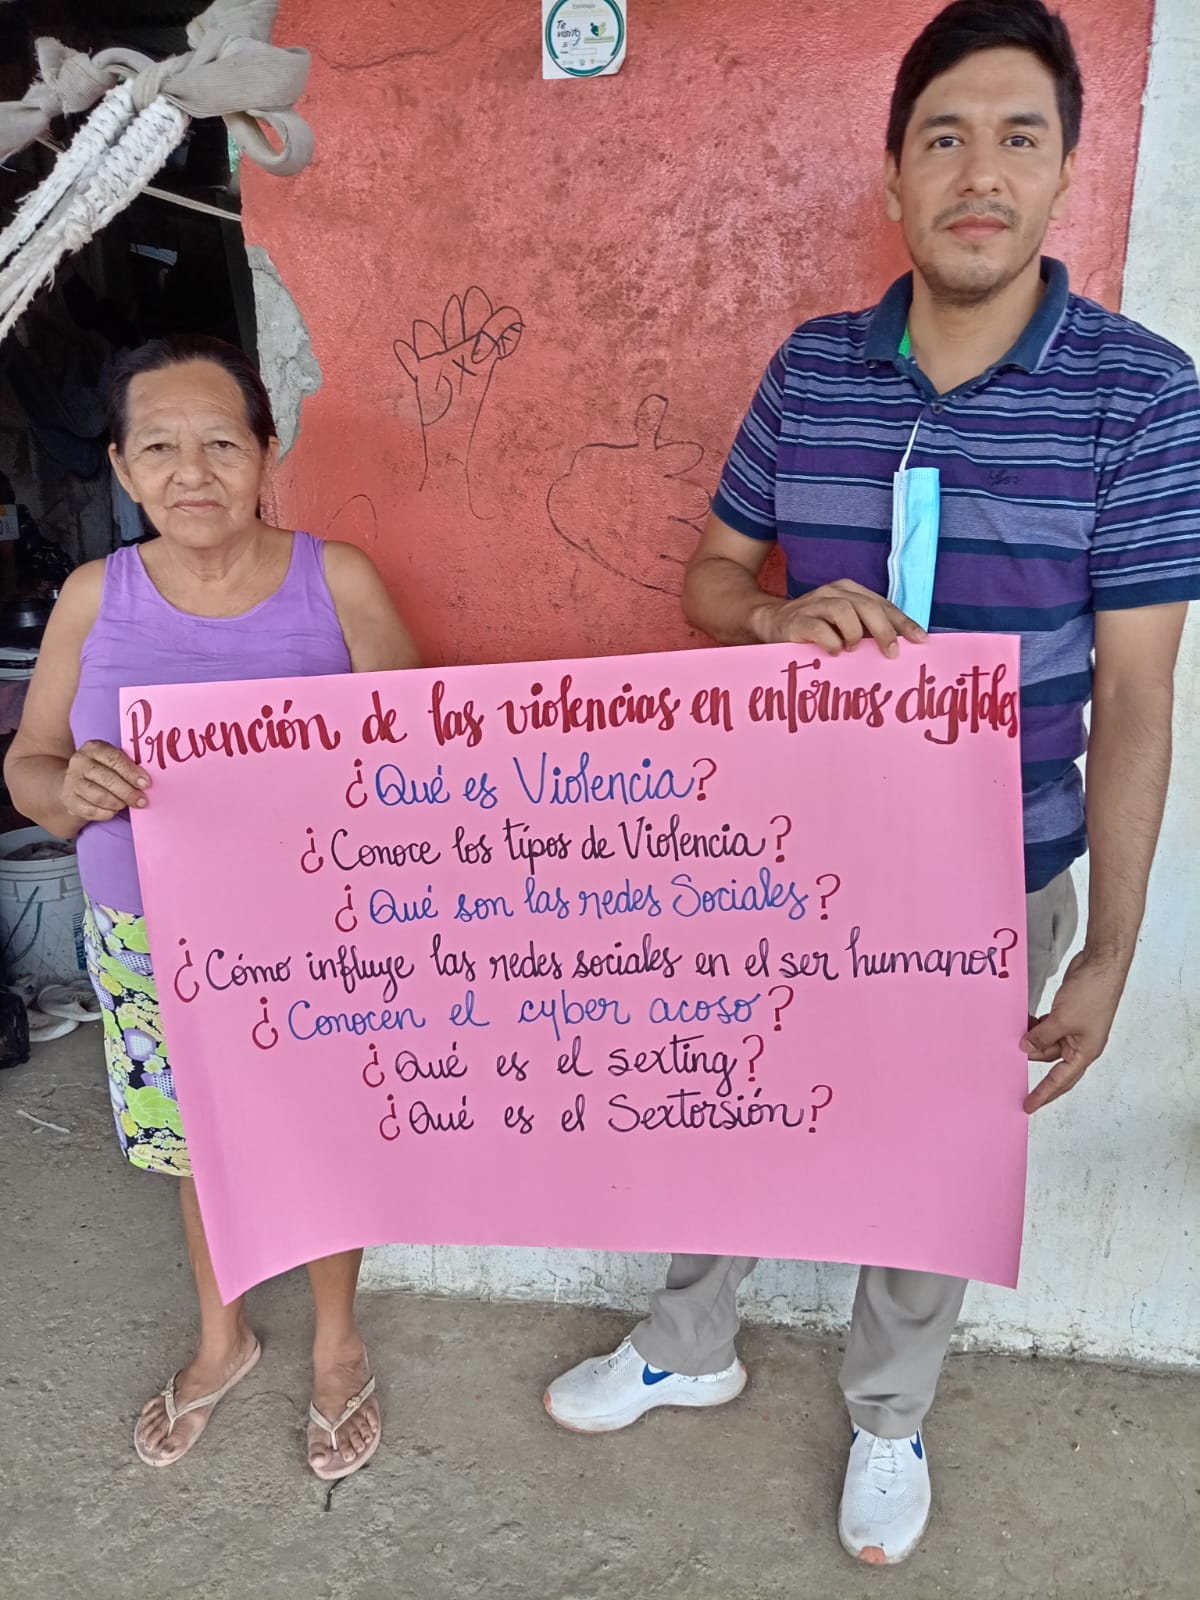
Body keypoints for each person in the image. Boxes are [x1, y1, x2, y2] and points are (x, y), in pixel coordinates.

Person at [544, 0, 1200, 1565]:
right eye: (944, 138)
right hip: (781, 858)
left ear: (1064, 169)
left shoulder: (1145, 396)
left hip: (998, 868)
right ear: (895, 173)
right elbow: (712, 579)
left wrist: (1110, 949)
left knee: (930, 1159)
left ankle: (890, 1418)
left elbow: (1136, 693)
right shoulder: (813, 372)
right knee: (732, 1099)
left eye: (1019, 137)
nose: (981, 173)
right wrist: (771, 616)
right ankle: (688, 1342)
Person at [5, 335, 421, 1479]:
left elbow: (424, 760)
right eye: (159, 448)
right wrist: (69, 789)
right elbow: (28, 767)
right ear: (122, 468)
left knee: (325, 1134)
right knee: (200, 1145)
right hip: (150, 938)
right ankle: (221, 1336)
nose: (192, 472)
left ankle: (337, 1344)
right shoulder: (93, 597)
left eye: (221, 444)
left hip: (319, 937)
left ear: (267, 453)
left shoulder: (337, 582)